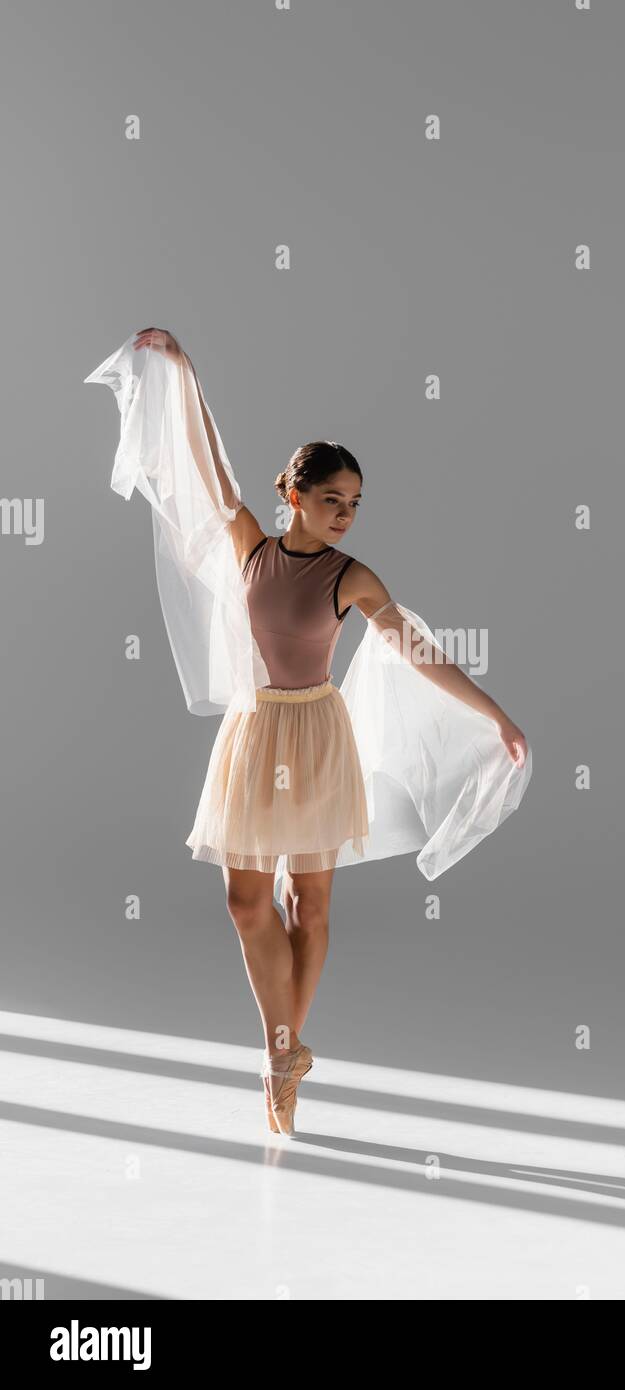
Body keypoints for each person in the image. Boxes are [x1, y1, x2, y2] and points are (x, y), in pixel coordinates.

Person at [85, 326, 532, 1137]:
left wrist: (495, 717)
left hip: (319, 737)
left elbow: (418, 651)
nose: (345, 517)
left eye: (355, 505)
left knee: (308, 906)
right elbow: (202, 462)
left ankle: (279, 1054)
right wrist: (179, 371)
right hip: (257, 733)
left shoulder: (350, 576)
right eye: (333, 501)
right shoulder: (249, 544)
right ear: (294, 495)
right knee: (246, 900)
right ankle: (285, 1048)